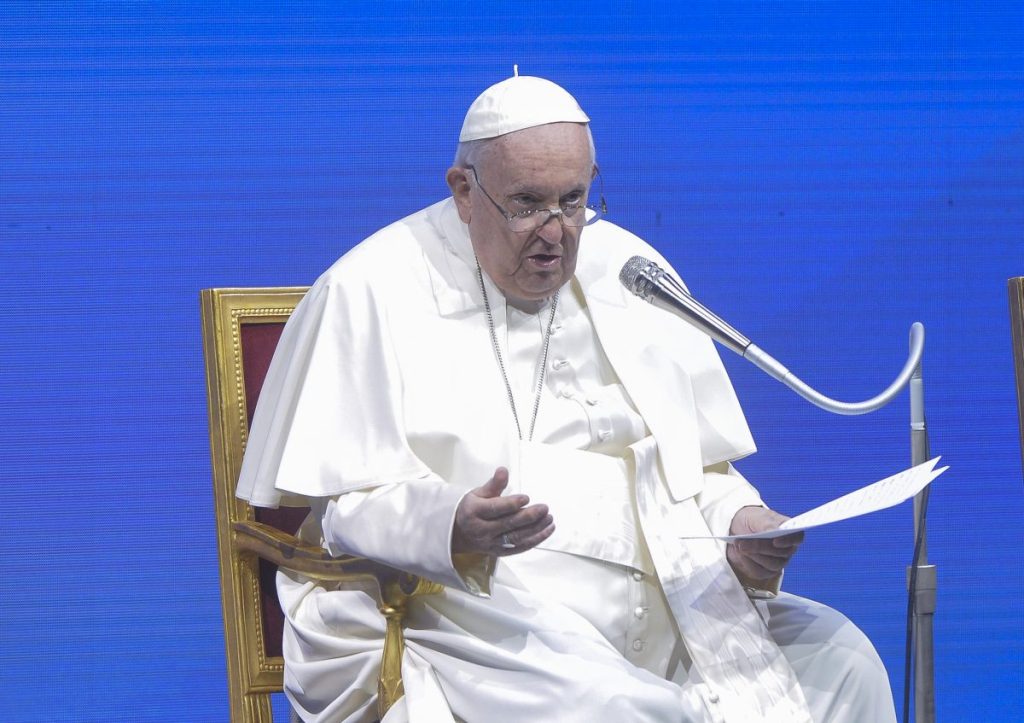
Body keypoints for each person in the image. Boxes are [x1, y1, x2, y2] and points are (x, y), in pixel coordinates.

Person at [236, 74, 898, 723]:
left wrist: (739, 522)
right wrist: (453, 525)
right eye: (526, 204)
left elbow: (688, 470)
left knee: (843, 662)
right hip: (475, 614)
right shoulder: (371, 290)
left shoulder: (629, 271)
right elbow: (345, 510)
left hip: (668, 595)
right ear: (464, 191)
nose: (556, 233)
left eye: (574, 200)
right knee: (624, 709)